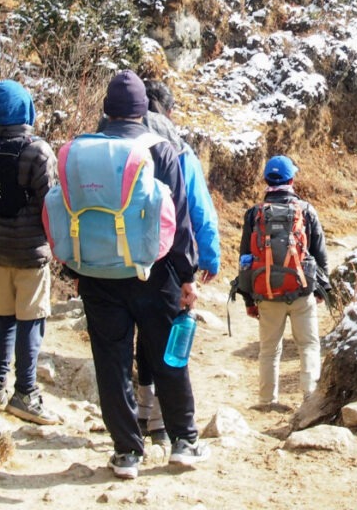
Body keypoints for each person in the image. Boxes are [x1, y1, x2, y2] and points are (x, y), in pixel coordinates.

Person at [77, 70, 209, 479]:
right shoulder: (163, 151)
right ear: (142, 110)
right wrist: (187, 276)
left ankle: (126, 453)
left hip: (98, 273)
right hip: (154, 273)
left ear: (107, 109)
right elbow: (180, 221)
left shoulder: (81, 150)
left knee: (111, 361)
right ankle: (183, 441)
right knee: (168, 355)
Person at [130, 79, 221, 446]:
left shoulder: (119, 142)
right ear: (168, 111)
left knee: (137, 333)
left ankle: (140, 409)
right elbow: (197, 209)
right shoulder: (179, 150)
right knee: (165, 335)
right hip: (166, 258)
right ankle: (164, 424)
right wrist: (208, 257)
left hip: (120, 254)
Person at [0, 79, 60, 425]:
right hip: (30, 252)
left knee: (4, 319)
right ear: (27, 110)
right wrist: (60, 248)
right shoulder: (39, 151)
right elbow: (51, 204)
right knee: (31, 321)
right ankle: (26, 393)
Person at [237, 155, 331, 410]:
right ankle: (310, 398)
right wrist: (323, 289)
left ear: (266, 180)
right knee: (309, 345)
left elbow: (245, 257)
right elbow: (320, 253)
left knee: (268, 350)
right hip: (301, 292)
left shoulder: (254, 214)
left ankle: (267, 401)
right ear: (291, 179)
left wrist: (248, 298)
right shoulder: (307, 211)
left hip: (267, 293)